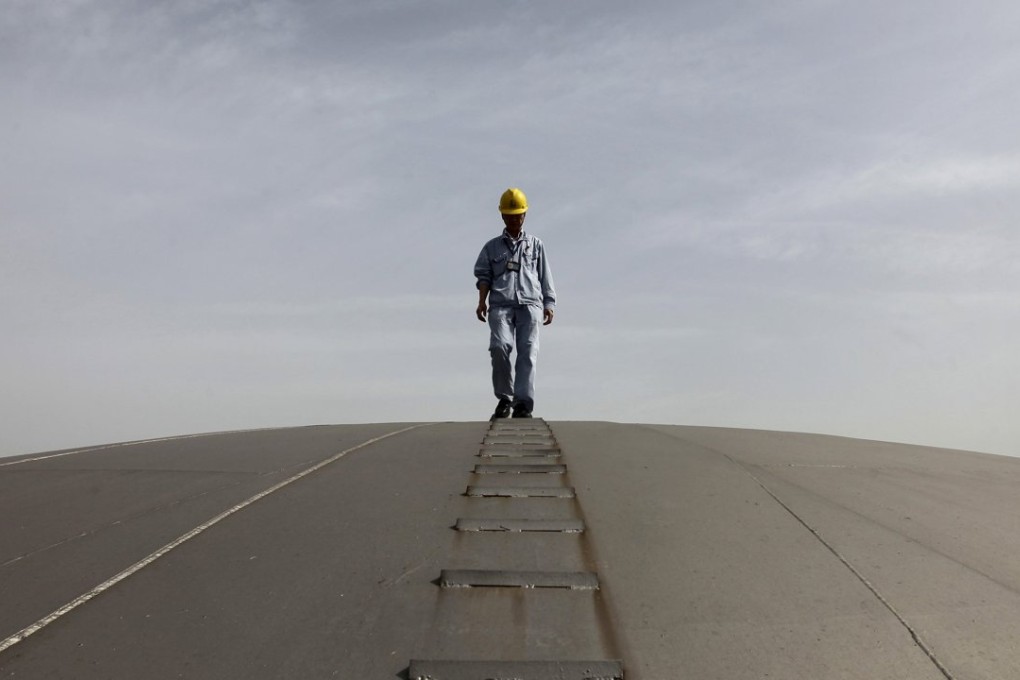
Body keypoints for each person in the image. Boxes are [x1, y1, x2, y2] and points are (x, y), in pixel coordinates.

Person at [474, 188, 556, 419]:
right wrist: (482, 301)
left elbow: (544, 275)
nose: (514, 219)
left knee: (528, 352)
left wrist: (549, 303)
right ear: (502, 216)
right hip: (500, 306)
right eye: (510, 215)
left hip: (530, 305)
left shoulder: (536, 245)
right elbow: (483, 276)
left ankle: (523, 404)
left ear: (525, 215)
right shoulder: (492, 248)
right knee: (499, 347)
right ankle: (504, 398)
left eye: (518, 215)